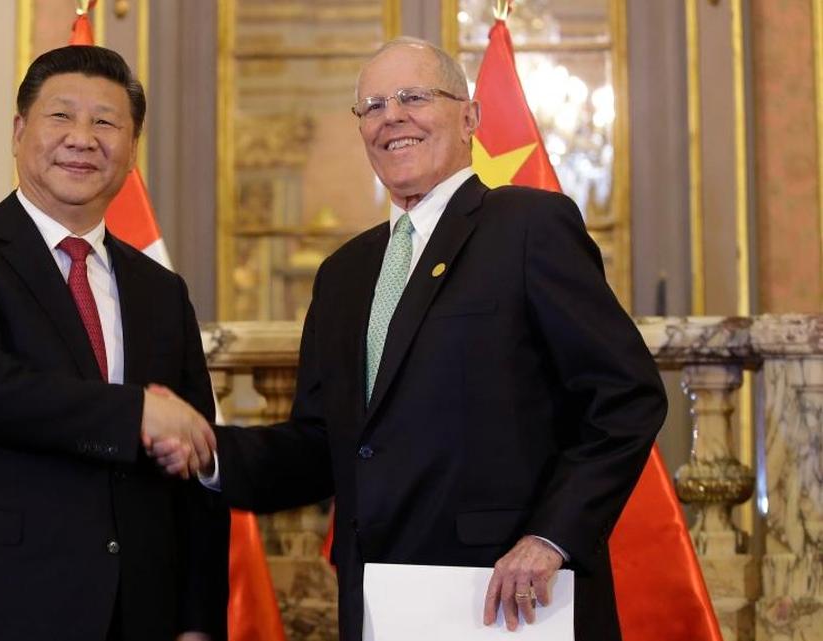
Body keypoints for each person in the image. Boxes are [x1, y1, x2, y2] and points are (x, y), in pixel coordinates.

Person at [160, 37, 667, 641]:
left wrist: (550, 537)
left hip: (508, 600)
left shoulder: (529, 226)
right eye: (372, 105)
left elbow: (626, 398)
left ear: (469, 117)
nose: (391, 116)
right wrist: (210, 451)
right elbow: (323, 445)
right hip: (377, 604)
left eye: (413, 97)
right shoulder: (344, 274)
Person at [0, 45, 228, 641]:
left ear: (131, 149)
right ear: (20, 132)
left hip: (136, 612)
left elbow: (191, 464)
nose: (83, 138)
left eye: (106, 122)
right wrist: (135, 411)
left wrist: (196, 619)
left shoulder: (161, 290)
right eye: (61, 116)